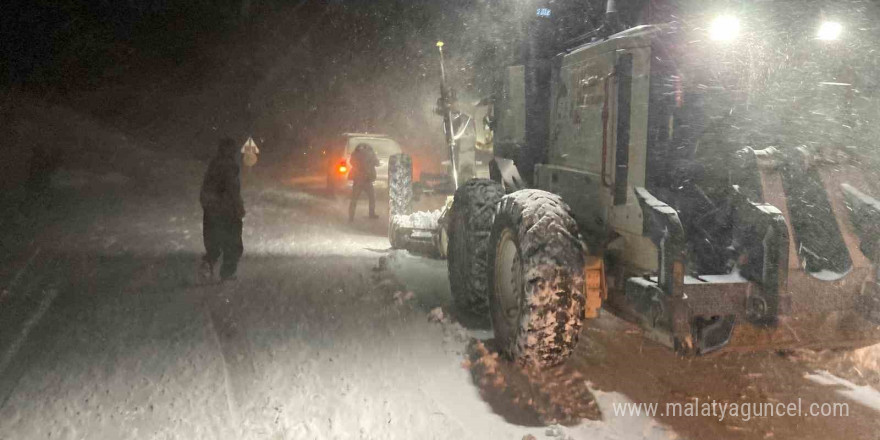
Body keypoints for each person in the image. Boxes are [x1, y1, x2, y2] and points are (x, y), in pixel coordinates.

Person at [200, 138, 245, 281]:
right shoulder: (229, 166)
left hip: (211, 210)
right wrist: (238, 207)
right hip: (228, 211)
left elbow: (205, 190)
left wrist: (208, 206)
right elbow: (232, 190)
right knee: (233, 243)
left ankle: (208, 264)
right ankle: (227, 272)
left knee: (213, 242)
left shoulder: (213, 165)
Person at [348, 143, 380, 222]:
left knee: (354, 199)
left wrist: (359, 168)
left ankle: (351, 216)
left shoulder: (355, 154)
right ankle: (371, 213)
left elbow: (351, 162)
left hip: (358, 179)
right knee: (372, 197)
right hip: (367, 179)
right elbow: (377, 163)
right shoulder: (371, 154)